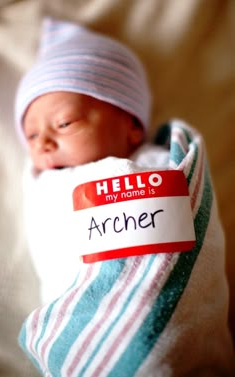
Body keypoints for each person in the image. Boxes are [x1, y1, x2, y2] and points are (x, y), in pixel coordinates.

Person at [15, 17, 235, 377]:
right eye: (31, 135)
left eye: (64, 123)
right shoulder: (47, 190)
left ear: (132, 125)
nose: (43, 142)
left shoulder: (160, 164)